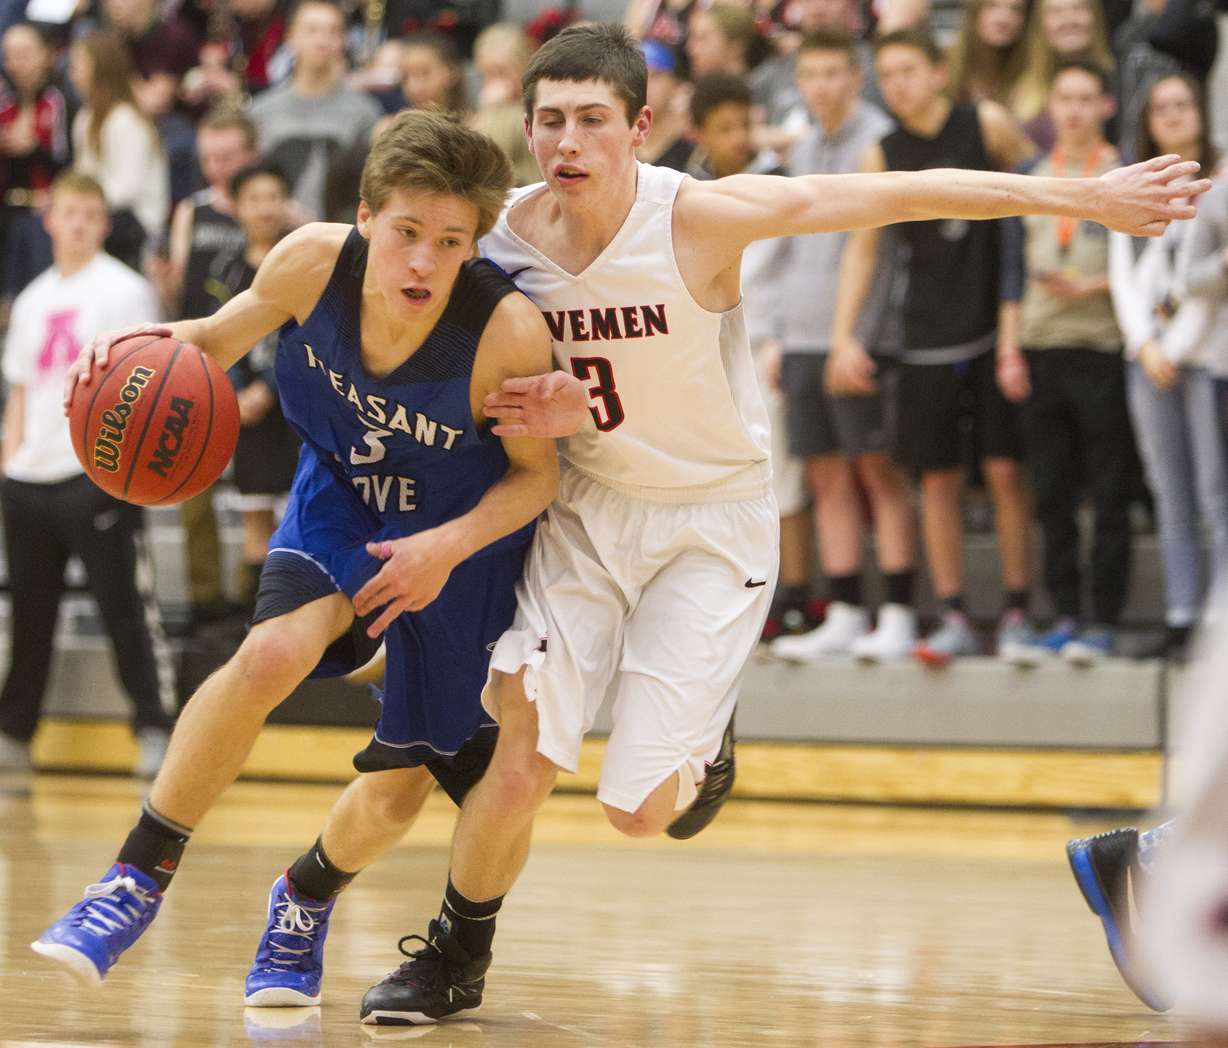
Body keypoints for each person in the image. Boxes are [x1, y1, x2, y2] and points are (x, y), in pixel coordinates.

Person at [339, 22, 1204, 1026]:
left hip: (711, 520)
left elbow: (899, 194)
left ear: (640, 127)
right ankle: (453, 955)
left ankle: (704, 738)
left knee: (636, 812)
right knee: (523, 752)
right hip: (583, 511)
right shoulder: (497, 239)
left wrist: (1083, 198)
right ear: (527, 128)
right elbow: (362, 264)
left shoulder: (700, 218)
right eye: (549, 122)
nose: (567, 142)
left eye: (591, 120)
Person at [31, 110, 560, 996]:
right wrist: (118, 355)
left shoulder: (503, 333)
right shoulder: (310, 264)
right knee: (271, 650)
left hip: (457, 538)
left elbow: (535, 478)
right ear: (364, 217)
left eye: (450, 240)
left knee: (399, 790)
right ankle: (133, 876)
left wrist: (447, 546)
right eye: (405, 233)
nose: (425, 261)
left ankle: (302, 896)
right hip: (343, 500)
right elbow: (209, 338)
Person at [830, 26, 1038, 666]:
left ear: (938, 72)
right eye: (887, 75)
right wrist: (844, 337)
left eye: (909, 71)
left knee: (1005, 472)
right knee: (938, 481)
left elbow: (1036, 195)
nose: (898, 85)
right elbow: (863, 250)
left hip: (992, 328)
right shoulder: (882, 152)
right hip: (922, 337)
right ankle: (950, 613)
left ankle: (1019, 612)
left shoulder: (987, 124)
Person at [0, 171, 176, 776]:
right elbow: (20, 392)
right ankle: (15, 734)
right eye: (67, 212)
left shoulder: (124, 292)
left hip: (95, 477)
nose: (76, 223)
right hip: (28, 481)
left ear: (102, 224)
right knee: (29, 613)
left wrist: (122, 467)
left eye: (89, 214)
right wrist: (9, 463)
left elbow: (148, 384)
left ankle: (153, 725)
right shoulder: (30, 299)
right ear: (48, 219)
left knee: (124, 607)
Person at [766, 30, 917, 662]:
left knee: (875, 472)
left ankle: (903, 613)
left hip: (860, 340)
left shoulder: (878, 139)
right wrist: (776, 334)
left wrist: (852, 337)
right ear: (799, 83)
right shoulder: (799, 147)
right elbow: (784, 246)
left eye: (835, 73)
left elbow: (877, 250)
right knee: (824, 475)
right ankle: (849, 609)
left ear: (856, 79)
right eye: (812, 75)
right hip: (799, 336)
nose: (823, 85)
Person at [998, 60, 1135, 666]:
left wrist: (1097, 287)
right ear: (1050, 108)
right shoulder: (1033, 176)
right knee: (1050, 493)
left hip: (1102, 350)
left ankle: (1103, 619)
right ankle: (1064, 615)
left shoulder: (1124, 175)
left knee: (1107, 490)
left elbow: (1144, 267)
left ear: (1106, 105)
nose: (1075, 110)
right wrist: (1009, 348)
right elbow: (1011, 274)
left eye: (1086, 98)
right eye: (1065, 99)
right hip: (1040, 347)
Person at [1108, 73, 1228, 660]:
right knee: (1169, 491)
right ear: (1148, 120)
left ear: (1201, 114)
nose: (1175, 115)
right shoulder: (1135, 184)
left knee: (1214, 492)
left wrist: (1173, 349)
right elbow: (1126, 278)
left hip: (1203, 359)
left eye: (1184, 105)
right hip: (1147, 360)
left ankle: (1221, 623)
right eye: (1163, 107)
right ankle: (1182, 615)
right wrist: (1144, 344)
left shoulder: (1220, 186)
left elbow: (1205, 289)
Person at [202, 161, 300, 609]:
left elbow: (310, 338)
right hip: (246, 414)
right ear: (237, 208)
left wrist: (271, 388)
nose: (264, 208)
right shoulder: (225, 270)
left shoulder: (303, 265)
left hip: (298, 408)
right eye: (254, 199)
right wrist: (237, 391)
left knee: (302, 517)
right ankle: (255, 620)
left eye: (273, 197)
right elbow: (212, 335)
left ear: (287, 203)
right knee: (254, 520)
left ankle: (308, 623)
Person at [248, 0, 382, 222]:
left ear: (344, 40)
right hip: (275, 236)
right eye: (312, 30)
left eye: (333, 31)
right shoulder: (261, 111)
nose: (322, 40)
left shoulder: (365, 111)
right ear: (290, 37)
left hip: (342, 234)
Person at [67, 30, 170, 270]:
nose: (72, 74)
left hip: (136, 227)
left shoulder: (125, 120)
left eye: (78, 65)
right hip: (101, 216)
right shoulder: (85, 118)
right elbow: (82, 177)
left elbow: (126, 189)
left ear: (100, 68)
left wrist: (81, 203)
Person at [0, 22, 72, 305]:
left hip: (47, 205)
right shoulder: (6, 103)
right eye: (10, 56)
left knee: (30, 230)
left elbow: (68, 161)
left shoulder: (60, 100)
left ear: (46, 55)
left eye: (24, 54)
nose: (16, 64)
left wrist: (33, 148)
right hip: (8, 205)